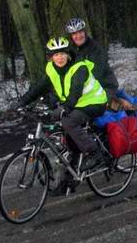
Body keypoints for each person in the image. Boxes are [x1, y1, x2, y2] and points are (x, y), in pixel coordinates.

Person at [17, 37, 109, 190]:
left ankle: (94, 153)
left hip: (94, 102)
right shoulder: (52, 68)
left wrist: (65, 108)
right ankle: (71, 169)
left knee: (68, 121)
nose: (59, 57)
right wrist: (22, 102)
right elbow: (40, 87)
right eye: (55, 54)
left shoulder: (79, 67)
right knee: (57, 122)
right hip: (75, 104)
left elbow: (75, 91)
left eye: (62, 53)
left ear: (68, 54)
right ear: (50, 57)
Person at [64, 17, 120, 105]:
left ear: (84, 32)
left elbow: (97, 73)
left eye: (80, 32)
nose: (78, 36)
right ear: (71, 36)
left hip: (105, 85)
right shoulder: (72, 50)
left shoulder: (96, 49)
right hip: (87, 86)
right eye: (74, 33)